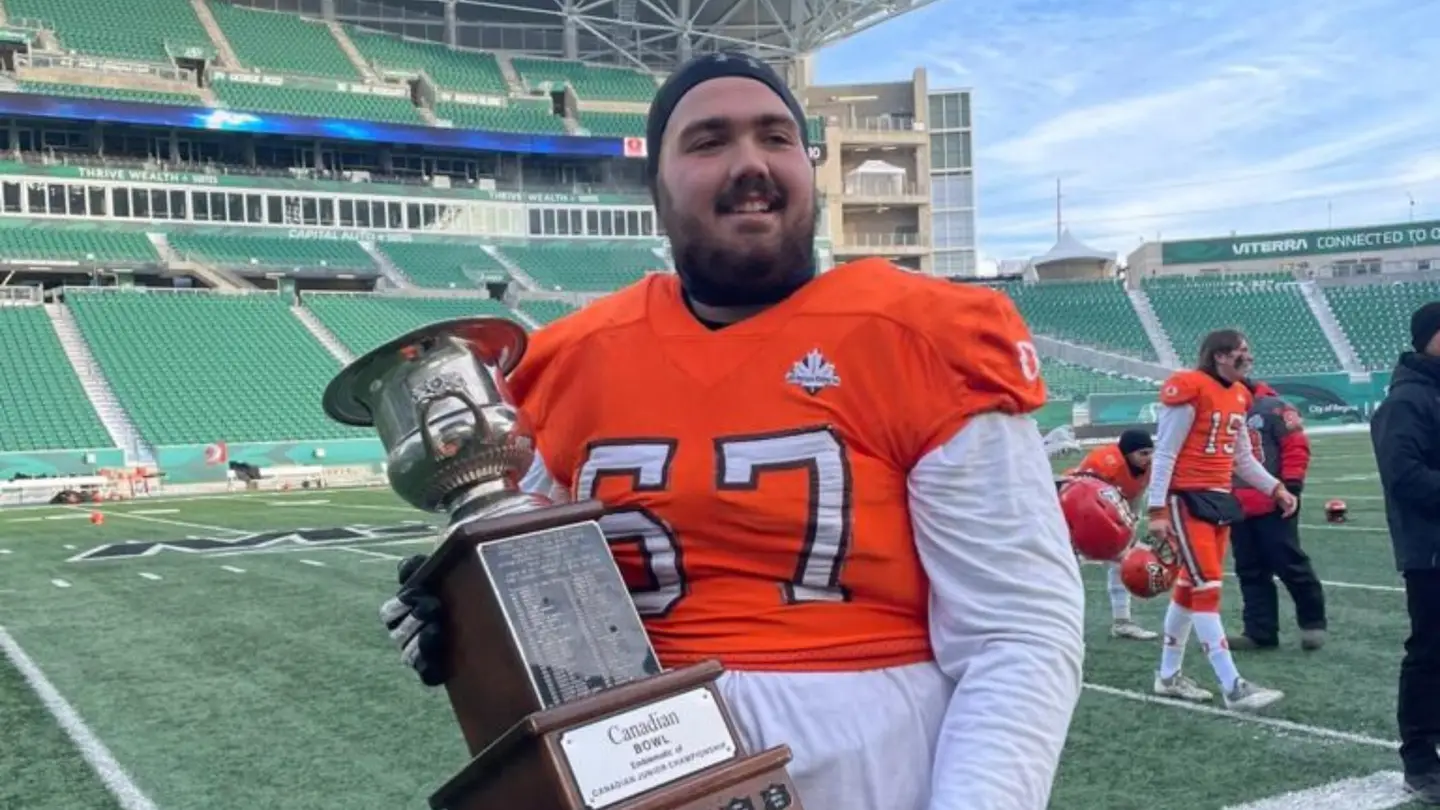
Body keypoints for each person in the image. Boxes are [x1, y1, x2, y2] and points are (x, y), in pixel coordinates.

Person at [381, 52, 1085, 810]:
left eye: (777, 137)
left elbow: (1018, 635)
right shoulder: (569, 361)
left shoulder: (924, 334)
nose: (751, 163)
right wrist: (465, 622)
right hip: (636, 763)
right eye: (709, 141)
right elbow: (536, 593)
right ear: (656, 188)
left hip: (874, 765)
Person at [1143, 329, 1297, 711]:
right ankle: (1233, 686)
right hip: (1186, 498)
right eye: (1242, 352)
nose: (1249, 357)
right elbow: (1163, 454)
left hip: (1218, 498)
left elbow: (1242, 458)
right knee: (1207, 586)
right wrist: (1157, 509)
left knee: (1188, 588)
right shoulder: (1190, 388)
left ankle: (1168, 676)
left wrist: (1275, 487)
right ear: (1220, 357)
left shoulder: (1241, 394)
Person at [1370, 301, 1440, 802]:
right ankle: (1419, 759)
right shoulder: (1407, 401)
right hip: (1431, 549)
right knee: (1429, 653)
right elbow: (1405, 477)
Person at [1230, 377, 1326, 651]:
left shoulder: (1274, 408)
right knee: (1249, 569)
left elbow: (1296, 447)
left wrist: (1292, 487)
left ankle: (1312, 622)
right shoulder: (1220, 409)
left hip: (1274, 500)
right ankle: (1260, 631)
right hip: (1236, 504)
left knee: (1289, 562)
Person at [1065, 430, 1158, 640]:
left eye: (1150, 452)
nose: (1149, 458)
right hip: (1075, 510)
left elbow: (1136, 495)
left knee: (1123, 560)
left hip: (1109, 510)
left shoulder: (1148, 468)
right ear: (1127, 453)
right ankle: (1060, 623)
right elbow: (1081, 495)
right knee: (1068, 565)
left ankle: (1122, 622)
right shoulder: (1104, 462)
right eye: (1143, 453)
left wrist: (1130, 524)